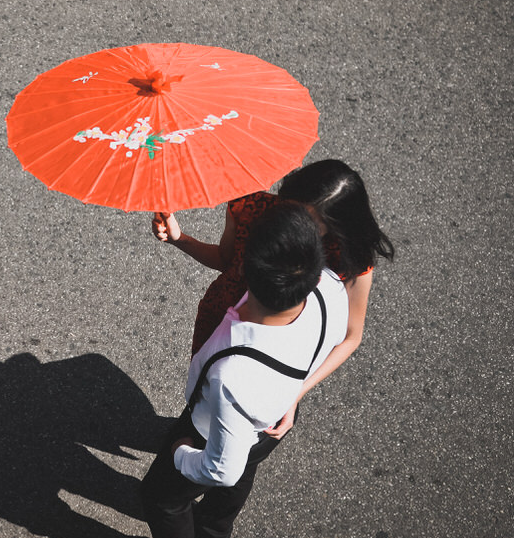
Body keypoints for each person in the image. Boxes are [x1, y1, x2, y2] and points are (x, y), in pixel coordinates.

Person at [99, 201, 349, 538]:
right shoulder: (331, 289)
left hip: (210, 424)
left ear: (247, 270)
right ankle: (213, 534)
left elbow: (221, 468)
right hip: (274, 418)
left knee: (161, 496)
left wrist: (181, 451)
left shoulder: (235, 373)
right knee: (248, 460)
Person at [152, 159, 394, 436]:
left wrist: (295, 392)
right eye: (290, 208)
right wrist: (179, 238)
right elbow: (225, 259)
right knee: (204, 393)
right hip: (218, 323)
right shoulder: (250, 206)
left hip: (272, 353)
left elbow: (352, 335)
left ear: (335, 224)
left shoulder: (351, 258)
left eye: (310, 222)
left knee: (236, 423)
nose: (293, 223)